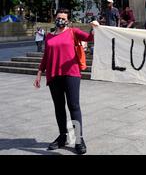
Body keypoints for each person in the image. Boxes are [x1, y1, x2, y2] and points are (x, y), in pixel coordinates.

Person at [33, 9, 99, 155]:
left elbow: (90, 38)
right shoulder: (49, 36)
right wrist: (39, 73)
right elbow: (46, 56)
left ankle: (79, 139)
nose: (60, 20)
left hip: (71, 74)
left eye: (63, 18)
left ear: (67, 20)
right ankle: (62, 136)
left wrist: (95, 27)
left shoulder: (73, 32)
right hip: (53, 75)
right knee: (59, 107)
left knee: (74, 106)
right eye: (58, 17)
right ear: (55, 19)